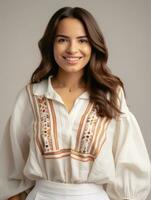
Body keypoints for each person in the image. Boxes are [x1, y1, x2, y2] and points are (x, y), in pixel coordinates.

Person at [0, 6, 150, 200]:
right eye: (62, 40)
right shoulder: (32, 96)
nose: (72, 49)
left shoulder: (110, 96)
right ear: (51, 45)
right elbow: (10, 167)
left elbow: (131, 163)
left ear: (93, 45)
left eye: (82, 40)